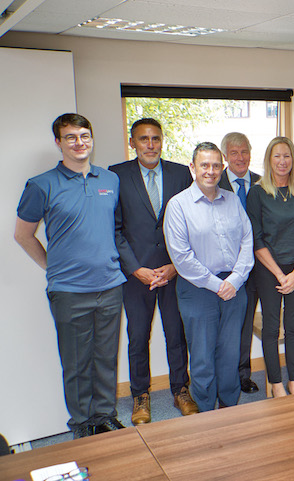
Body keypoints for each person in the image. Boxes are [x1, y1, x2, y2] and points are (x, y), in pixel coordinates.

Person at [14, 113, 127, 438]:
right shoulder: (41, 185)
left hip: (110, 286)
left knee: (106, 359)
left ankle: (104, 416)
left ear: (91, 139)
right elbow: (23, 235)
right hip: (69, 292)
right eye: (71, 137)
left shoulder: (109, 180)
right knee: (77, 365)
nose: (79, 142)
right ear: (59, 142)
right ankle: (81, 425)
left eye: (84, 136)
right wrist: (53, 267)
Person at [110, 118, 197, 426]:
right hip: (137, 275)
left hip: (174, 271)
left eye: (155, 138)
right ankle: (140, 396)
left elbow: (192, 224)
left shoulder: (181, 174)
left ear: (162, 141)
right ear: (133, 142)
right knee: (137, 336)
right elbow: (115, 229)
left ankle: (180, 390)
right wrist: (136, 269)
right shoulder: (117, 175)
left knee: (176, 334)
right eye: (143, 139)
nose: (150, 144)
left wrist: (176, 266)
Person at [164, 142, 254, 411]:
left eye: (216, 165)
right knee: (203, 357)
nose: (211, 171)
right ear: (193, 168)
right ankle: (204, 413)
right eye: (204, 165)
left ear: (222, 168)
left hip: (234, 288)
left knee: (230, 354)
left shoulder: (232, 200)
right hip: (198, 288)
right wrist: (218, 285)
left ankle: (229, 408)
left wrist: (235, 279)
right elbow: (181, 257)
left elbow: (247, 241)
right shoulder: (178, 205)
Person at [246, 137, 294, 397]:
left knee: (293, 326)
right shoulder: (257, 192)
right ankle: (276, 384)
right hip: (268, 270)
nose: (282, 161)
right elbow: (256, 238)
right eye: (277, 156)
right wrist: (279, 274)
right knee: (271, 327)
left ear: (293, 160)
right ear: (269, 160)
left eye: (287, 156)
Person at [217, 132, 262, 394]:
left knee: (246, 323)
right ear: (225, 156)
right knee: (224, 325)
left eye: (244, 151)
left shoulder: (262, 182)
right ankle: (223, 374)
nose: (240, 157)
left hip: (258, 267)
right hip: (226, 269)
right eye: (234, 153)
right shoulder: (214, 182)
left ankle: (243, 374)